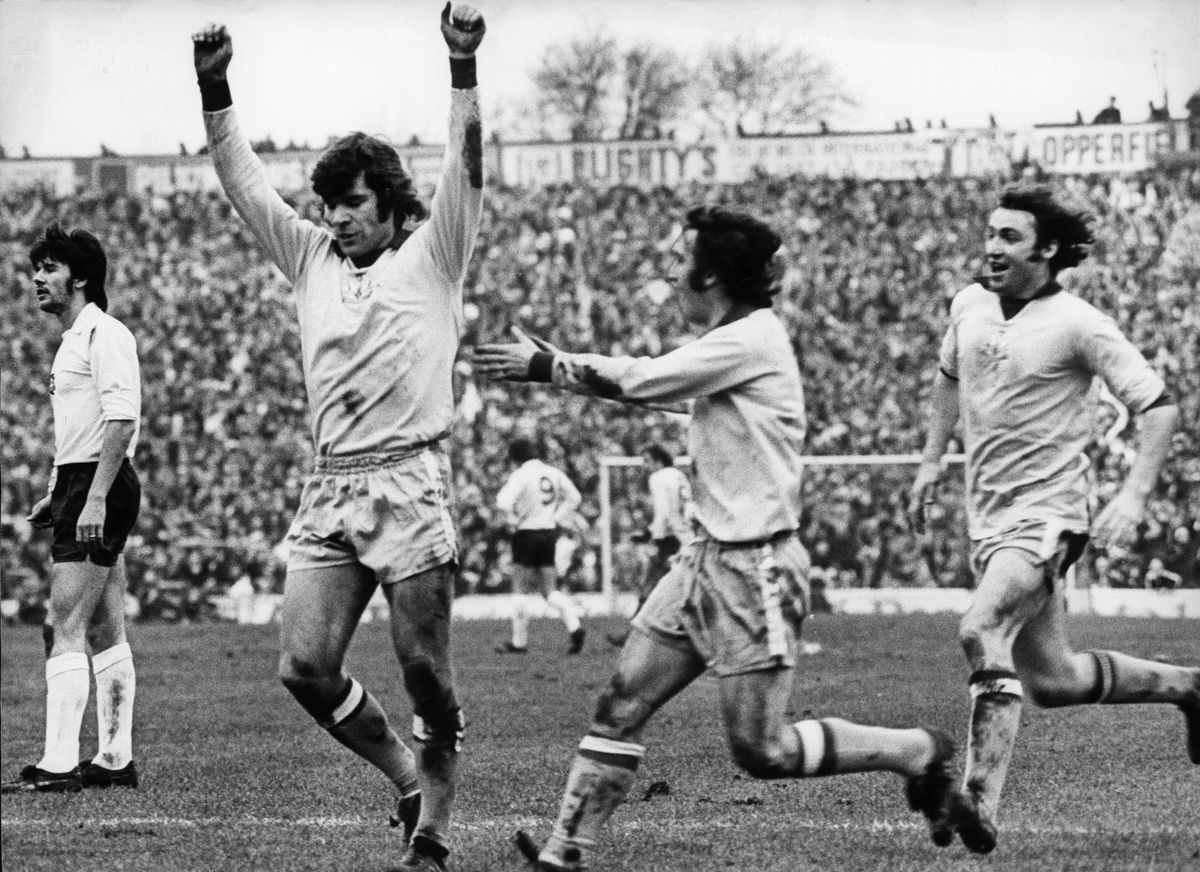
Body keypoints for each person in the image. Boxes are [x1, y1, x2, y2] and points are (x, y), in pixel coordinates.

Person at [475, 206, 967, 871]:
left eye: (680, 258)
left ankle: (918, 752)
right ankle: (565, 853)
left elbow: (646, 380)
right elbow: (670, 389)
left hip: (754, 566)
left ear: (711, 273)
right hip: (700, 563)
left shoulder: (751, 340)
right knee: (621, 703)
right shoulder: (734, 344)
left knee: (761, 751)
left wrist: (548, 365)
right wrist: (560, 363)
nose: (671, 270)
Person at [192, 6, 485, 870]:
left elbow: (468, 167)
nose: (336, 218)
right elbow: (243, 182)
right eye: (327, 205)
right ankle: (405, 777)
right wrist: (215, 88)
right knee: (303, 666)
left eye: (351, 204)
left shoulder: (435, 252)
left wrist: (462, 68)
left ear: (389, 203)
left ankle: (433, 827)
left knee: (424, 670)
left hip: (408, 482)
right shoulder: (312, 258)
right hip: (331, 484)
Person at [908, 184, 1199, 856]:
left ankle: (978, 801)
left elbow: (1158, 408)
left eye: (1009, 237)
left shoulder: (1079, 323)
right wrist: (930, 462)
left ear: (1048, 249)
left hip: (1048, 518)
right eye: (989, 233)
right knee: (1054, 680)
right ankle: (1188, 686)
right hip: (989, 517)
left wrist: (1132, 497)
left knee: (980, 628)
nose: (991, 247)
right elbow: (947, 377)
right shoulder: (969, 305)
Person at [2, 225, 143, 794]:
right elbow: (82, 428)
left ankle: (59, 764)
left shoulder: (104, 334)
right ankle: (114, 759)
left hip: (98, 483)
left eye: (51, 268)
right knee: (105, 626)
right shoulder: (72, 340)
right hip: (80, 480)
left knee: (62, 623)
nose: (37, 278)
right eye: (37, 268)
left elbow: (121, 419)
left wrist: (94, 496)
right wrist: (57, 488)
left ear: (81, 277)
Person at [494, 436, 586, 654]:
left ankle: (519, 643)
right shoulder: (553, 472)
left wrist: (513, 518)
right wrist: (557, 515)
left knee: (520, 590)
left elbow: (502, 501)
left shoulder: (522, 474)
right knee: (549, 590)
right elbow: (575, 497)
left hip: (527, 532)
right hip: (548, 532)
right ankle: (575, 626)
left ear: (515, 458)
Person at [606, 443, 693, 647]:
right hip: (686, 537)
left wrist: (654, 537)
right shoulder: (679, 475)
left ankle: (632, 636)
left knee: (650, 587)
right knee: (671, 587)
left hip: (670, 540)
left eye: (647, 461)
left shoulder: (658, 478)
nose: (645, 466)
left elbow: (665, 512)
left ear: (657, 460)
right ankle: (637, 634)